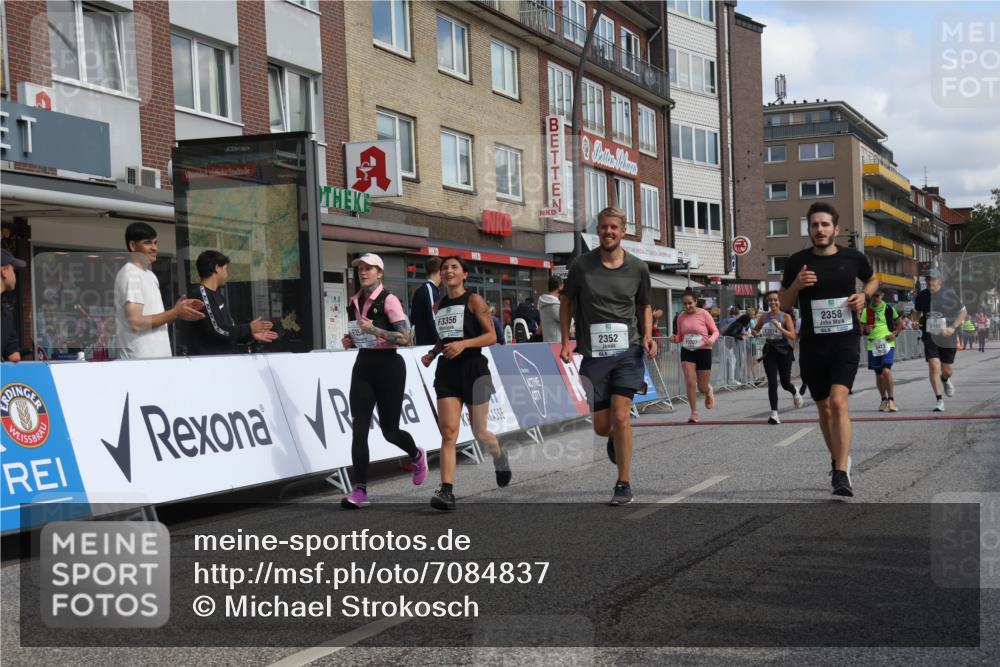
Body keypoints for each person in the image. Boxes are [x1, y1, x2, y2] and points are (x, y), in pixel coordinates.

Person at [779, 202, 878, 498]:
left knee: (838, 402)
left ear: (835, 228)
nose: (819, 230)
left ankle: (841, 472)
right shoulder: (797, 261)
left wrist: (864, 295)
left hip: (845, 340)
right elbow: (784, 304)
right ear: (808, 229)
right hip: (812, 344)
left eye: (824, 225)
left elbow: (873, 279)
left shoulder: (852, 258)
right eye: (814, 225)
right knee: (823, 406)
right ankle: (838, 461)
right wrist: (796, 284)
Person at [559, 207, 655, 506]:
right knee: (602, 426)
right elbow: (566, 303)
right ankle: (615, 437)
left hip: (628, 352)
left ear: (623, 230)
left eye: (614, 227)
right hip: (594, 356)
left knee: (621, 415)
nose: (608, 232)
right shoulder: (581, 266)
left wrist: (649, 336)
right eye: (603, 227)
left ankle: (623, 483)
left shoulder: (638, 267)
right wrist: (565, 340)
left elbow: (644, 306)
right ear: (597, 231)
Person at [421, 256, 509, 511]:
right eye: (445, 268)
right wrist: (433, 352)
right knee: (448, 433)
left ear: (464, 275)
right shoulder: (438, 305)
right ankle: (446, 492)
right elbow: (446, 338)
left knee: (480, 431)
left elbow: (492, 335)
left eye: (454, 267)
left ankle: (499, 457)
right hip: (447, 371)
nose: (448, 271)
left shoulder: (474, 300)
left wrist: (463, 345)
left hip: (473, 369)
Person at [340, 253, 427, 508]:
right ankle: (360, 491)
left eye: (369, 269)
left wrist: (374, 330)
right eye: (360, 269)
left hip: (389, 367)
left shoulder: (389, 300)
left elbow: (405, 339)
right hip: (364, 366)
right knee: (359, 427)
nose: (363, 273)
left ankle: (416, 454)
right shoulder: (354, 301)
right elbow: (360, 335)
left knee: (390, 431)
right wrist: (352, 340)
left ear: (380, 273)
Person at [114, 223, 204, 359]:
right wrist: (175, 312)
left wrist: (177, 313)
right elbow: (136, 322)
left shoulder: (150, 275)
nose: (154, 248)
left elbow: (155, 319)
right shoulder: (130, 274)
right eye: (148, 243)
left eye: (156, 243)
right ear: (133, 246)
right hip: (140, 361)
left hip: (158, 359)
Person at [183, 250, 278, 355]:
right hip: (209, 364)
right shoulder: (200, 293)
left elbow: (228, 331)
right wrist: (249, 328)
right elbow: (217, 329)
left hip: (226, 360)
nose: (227, 273)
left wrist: (250, 334)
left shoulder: (219, 296)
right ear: (216, 268)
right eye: (226, 268)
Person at [914, 268, 966, 412]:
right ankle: (939, 400)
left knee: (947, 370)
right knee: (934, 366)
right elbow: (917, 311)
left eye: (933, 279)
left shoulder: (949, 294)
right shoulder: (921, 296)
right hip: (930, 335)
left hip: (947, 336)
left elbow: (963, 312)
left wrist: (953, 327)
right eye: (928, 279)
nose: (930, 282)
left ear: (940, 281)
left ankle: (945, 379)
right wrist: (915, 321)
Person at [753, 291, 802, 424]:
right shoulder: (764, 317)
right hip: (769, 352)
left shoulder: (785, 317)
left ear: (779, 302)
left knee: (785, 383)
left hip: (784, 352)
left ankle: (794, 391)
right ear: (767, 302)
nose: (772, 302)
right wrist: (755, 332)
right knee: (772, 383)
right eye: (770, 300)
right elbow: (756, 329)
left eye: (775, 300)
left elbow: (792, 336)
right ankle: (774, 413)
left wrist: (780, 328)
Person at [671, 288, 719, 423]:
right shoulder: (681, 317)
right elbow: (680, 337)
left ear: (696, 302)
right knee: (690, 381)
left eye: (690, 303)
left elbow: (715, 331)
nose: (687, 306)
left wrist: (711, 339)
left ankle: (708, 390)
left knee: (702, 387)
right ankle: (694, 413)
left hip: (704, 349)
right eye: (685, 304)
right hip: (687, 350)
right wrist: (674, 339)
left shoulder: (704, 314)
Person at [859, 290, 903, 413]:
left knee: (886, 371)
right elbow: (861, 329)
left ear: (882, 295)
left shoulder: (889, 309)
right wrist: (866, 329)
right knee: (878, 374)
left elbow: (900, 323)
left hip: (887, 343)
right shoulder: (866, 311)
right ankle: (883, 400)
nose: (875, 298)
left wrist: (895, 334)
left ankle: (891, 400)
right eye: (873, 296)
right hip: (873, 345)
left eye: (877, 296)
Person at [1, 249, 27, 362]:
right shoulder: (5, 313)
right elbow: (14, 357)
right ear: (4, 271)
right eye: (13, 270)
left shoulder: (5, 312)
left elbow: (14, 355)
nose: (15, 276)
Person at [410, 256, 442, 346]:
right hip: (430, 345)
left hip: (423, 344)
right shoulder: (429, 289)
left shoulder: (425, 289)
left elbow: (413, 318)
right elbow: (434, 319)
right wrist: (440, 345)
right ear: (440, 271)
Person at [538, 276, 563, 343]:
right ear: (559, 287)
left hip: (547, 342)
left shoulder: (543, 302)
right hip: (557, 344)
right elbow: (567, 321)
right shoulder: (554, 305)